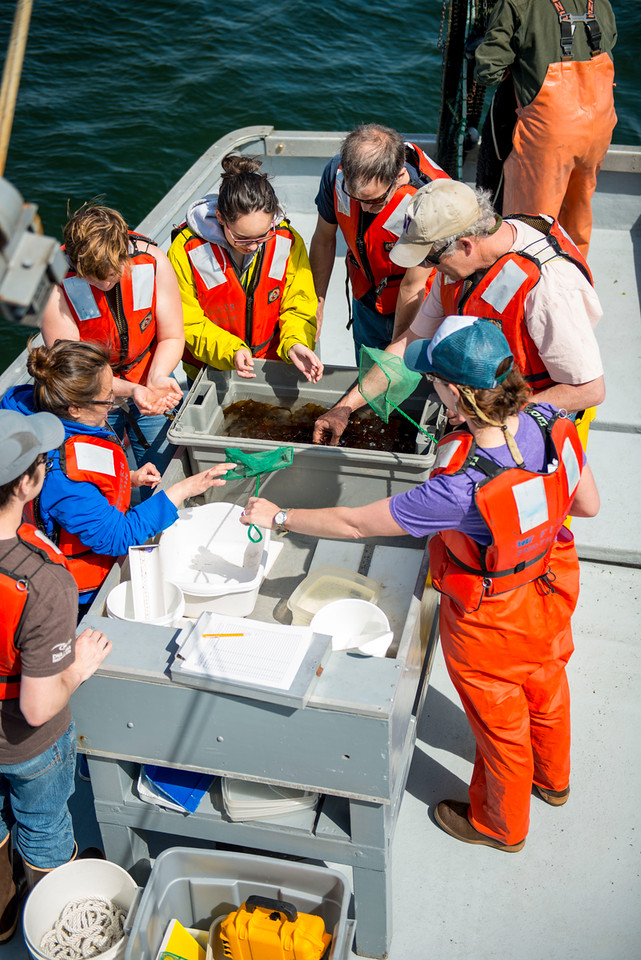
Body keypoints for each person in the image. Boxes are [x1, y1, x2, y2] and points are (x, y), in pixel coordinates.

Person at [242, 315, 599, 851]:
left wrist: (279, 516)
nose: (427, 384)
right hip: (550, 587)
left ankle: (501, 826)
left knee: (501, 724)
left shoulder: (459, 489)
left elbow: (355, 523)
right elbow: (588, 505)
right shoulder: (551, 417)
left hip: (492, 619)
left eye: (432, 378)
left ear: (454, 392)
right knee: (547, 684)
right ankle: (554, 781)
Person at [313, 179, 604, 446]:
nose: (428, 268)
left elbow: (588, 390)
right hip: (483, 415)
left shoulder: (550, 287)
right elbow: (409, 341)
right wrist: (345, 407)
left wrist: (493, 418)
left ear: (466, 244)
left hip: (540, 423)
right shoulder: (458, 265)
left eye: (430, 259)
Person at [1, 341, 234, 610]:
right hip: (79, 590)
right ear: (74, 409)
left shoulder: (46, 408)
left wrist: (130, 478)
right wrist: (182, 490)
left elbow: (90, 474)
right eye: (107, 397)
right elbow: (117, 537)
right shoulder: (62, 476)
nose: (113, 401)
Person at [0, 409, 111, 941]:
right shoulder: (44, 580)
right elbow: (37, 708)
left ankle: (2, 916)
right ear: (29, 483)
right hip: (26, 745)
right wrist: (79, 669)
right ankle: (57, 926)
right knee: (43, 825)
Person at [41, 204, 186, 497]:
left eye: (112, 274)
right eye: (94, 279)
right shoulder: (53, 285)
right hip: (91, 397)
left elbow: (172, 335)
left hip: (147, 377)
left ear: (125, 252)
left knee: (160, 472)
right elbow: (75, 371)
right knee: (98, 480)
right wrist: (130, 391)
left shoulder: (153, 261)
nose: (106, 283)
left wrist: (156, 377)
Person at [474, 0, 617, 258]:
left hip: (550, 134)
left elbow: (488, 71)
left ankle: (528, 287)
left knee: (529, 227)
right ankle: (574, 277)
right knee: (577, 218)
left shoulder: (516, 4)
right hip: (598, 126)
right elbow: (611, 41)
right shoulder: (600, 2)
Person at [168, 154, 322, 384]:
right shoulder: (185, 250)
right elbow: (186, 320)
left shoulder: (287, 241)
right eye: (241, 238)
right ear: (220, 217)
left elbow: (300, 303)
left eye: (262, 236)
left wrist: (295, 342)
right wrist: (231, 351)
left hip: (273, 366)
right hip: (210, 369)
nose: (252, 246)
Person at [309, 122, 450, 360]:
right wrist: (316, 303)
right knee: (367, 373)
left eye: (375, 200)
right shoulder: (336, 173)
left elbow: (412, 286)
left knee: (403, 373)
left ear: (399, 175)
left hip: (419, 304)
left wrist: (396, 352)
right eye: (355, 197)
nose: (365, 208)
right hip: (366, 296)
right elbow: (323, 239)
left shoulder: (428, 201)